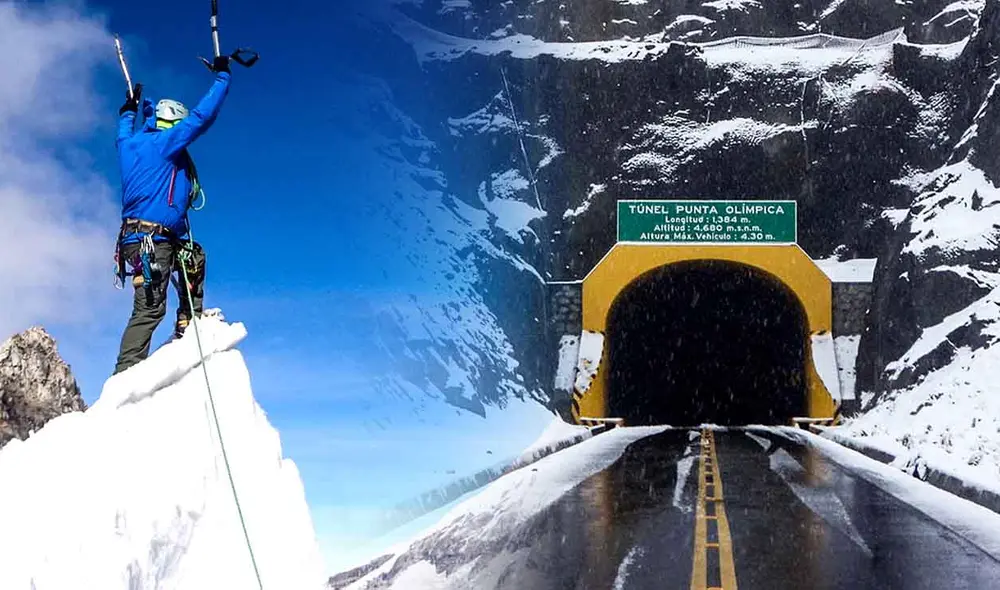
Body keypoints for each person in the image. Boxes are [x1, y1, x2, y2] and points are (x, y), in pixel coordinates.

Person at [112, 55, 232, 375]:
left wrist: (129, 110)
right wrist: (222, 78)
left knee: (194, 257)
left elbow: (123, 132)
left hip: (142, 238)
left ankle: (187, 321)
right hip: (153, 240)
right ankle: (124, 379)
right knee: (149, 309)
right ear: (173, 123)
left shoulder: (130, 145)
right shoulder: (164, 144)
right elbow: (201, 118)